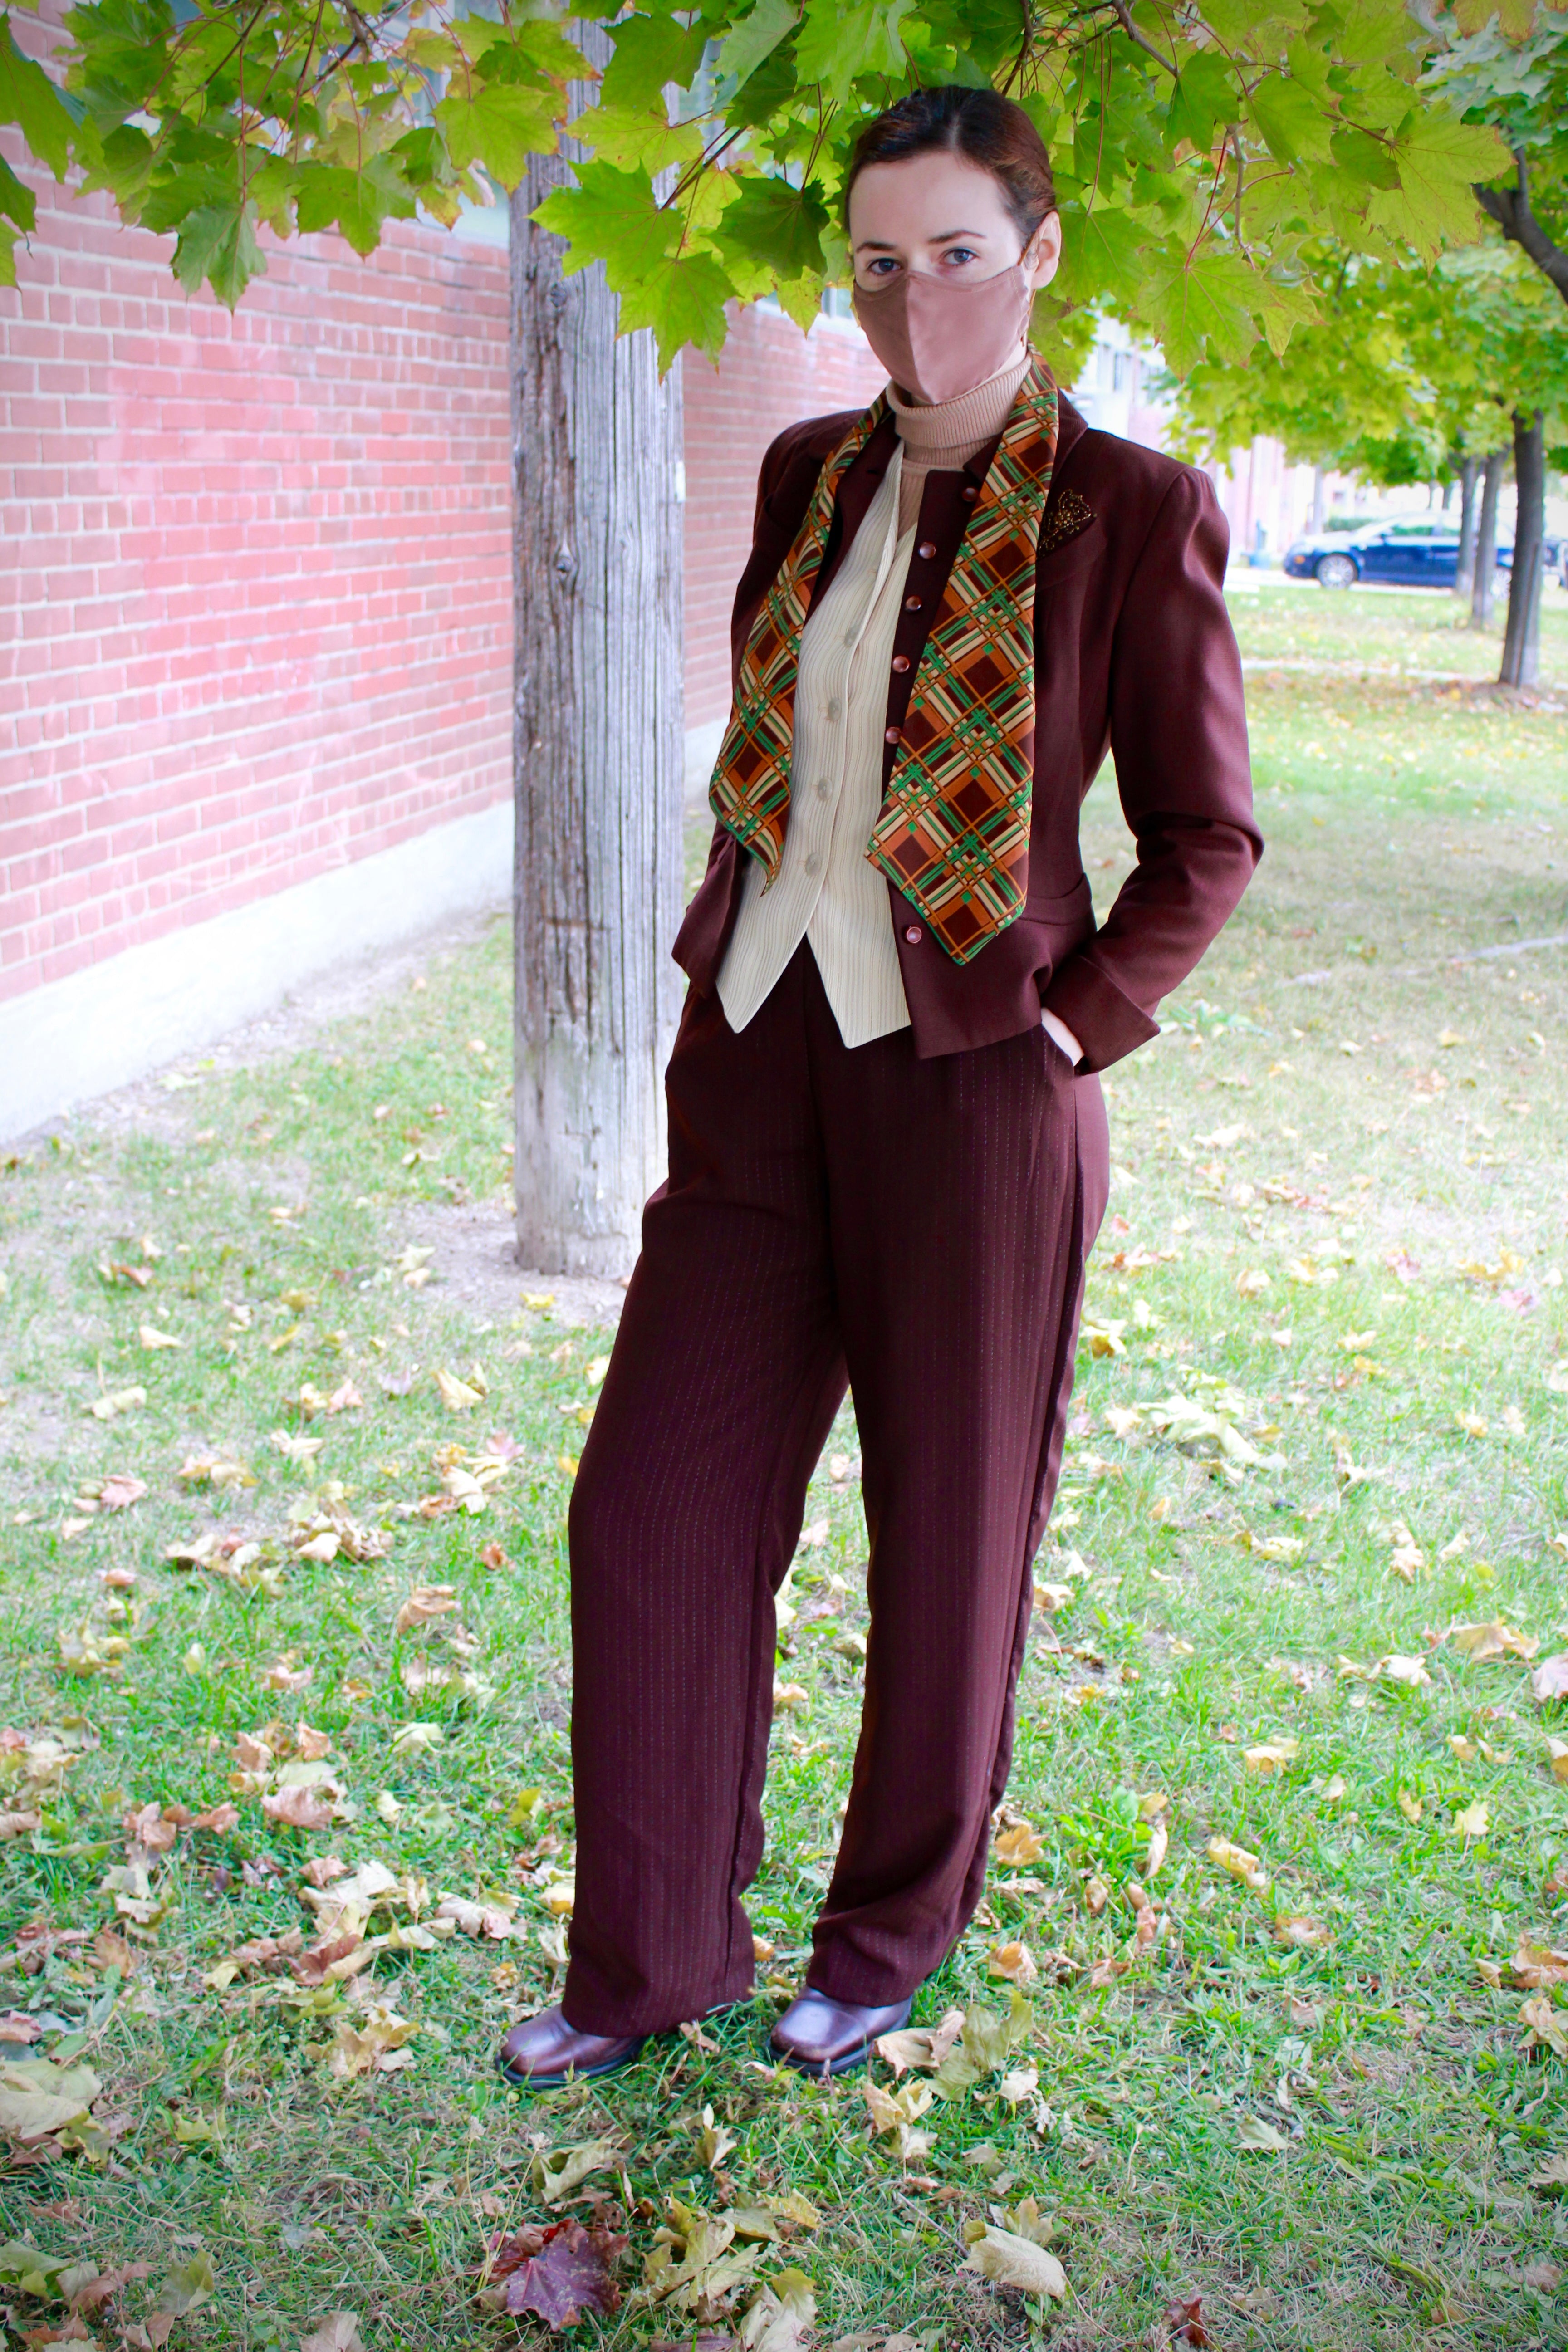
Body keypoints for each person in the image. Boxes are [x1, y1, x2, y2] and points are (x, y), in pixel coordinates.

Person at [499, 83, 1259, 2089]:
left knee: (949, 1536)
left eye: (957, 257)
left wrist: (1074, 1030)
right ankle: (649, 1958)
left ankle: (885, 1935)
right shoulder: (802, 470)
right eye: (877, 265)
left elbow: (1206, 840)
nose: (913, 304)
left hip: (980, 1093)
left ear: (1038, 254)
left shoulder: (1135, 505)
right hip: (755, 1061)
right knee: (648, 1509)